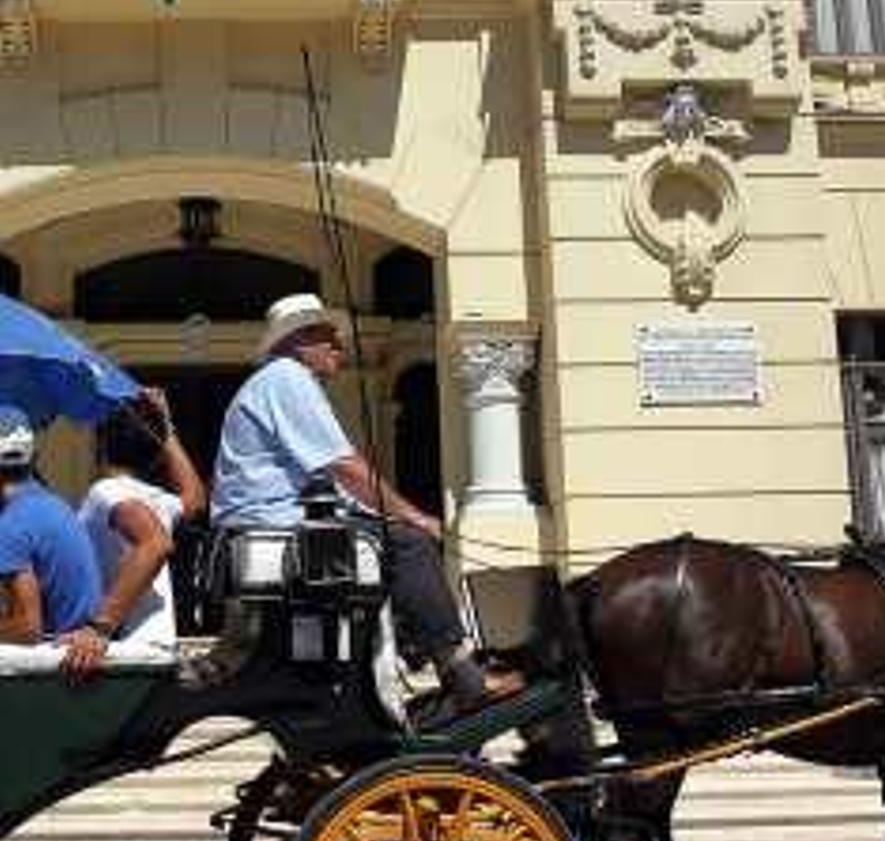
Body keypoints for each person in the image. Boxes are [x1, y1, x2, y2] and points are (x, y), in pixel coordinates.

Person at [211, 293, 523, 708]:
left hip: (272, 524)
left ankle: (410, 647)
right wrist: (416, 517)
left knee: (391, 541)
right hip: (275, 526)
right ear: (298, 342)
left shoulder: (276, 381)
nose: (339, 346)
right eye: (328, 337)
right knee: (409, 545)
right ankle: (460, 672)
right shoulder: (287, 377)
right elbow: (344, 466)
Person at [77, 390, 206, 658]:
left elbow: (156, 544)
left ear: (102, 445)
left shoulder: (106, 491)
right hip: (156, 645)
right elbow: (194, 499)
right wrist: (167, 430)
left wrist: (100, 627)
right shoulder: (156, 499)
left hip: (118, 650)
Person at [0, 405, 103, 679]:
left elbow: (27, 628)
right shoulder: (53, 505)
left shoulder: (10, 526)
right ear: (34, 458)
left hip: (58, 670)